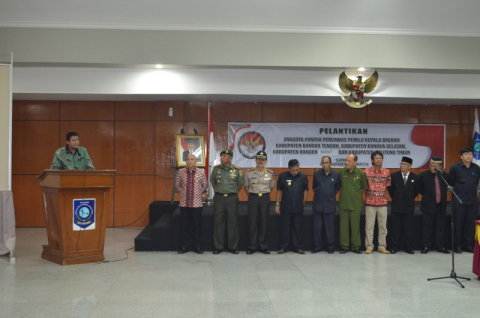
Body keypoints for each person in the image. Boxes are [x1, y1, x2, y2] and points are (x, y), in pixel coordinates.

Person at [210, 149, 244, 254]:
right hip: (219, 198)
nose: (222, 158)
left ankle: (233, 246)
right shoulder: (216, 169)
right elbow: (213, 184)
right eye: (221, 156)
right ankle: (218, 246)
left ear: (230, 158)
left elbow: (240, 185)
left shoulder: (237, 170)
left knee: (232, 222)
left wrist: (230, 192)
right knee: (218, 222)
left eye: (224, 156)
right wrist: (221, 192)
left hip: (231, 199)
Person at [449, 147, 480, 254]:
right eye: (466, 154)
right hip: (459, 200)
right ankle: (458, 245)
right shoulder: (455, 168)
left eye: (470, 154)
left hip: (472, 201)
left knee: (470, 224)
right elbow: (450, 183)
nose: (468, 156)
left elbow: (476, 183)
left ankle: (468, 245)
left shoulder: (476, 168)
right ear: (461, 156)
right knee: (458, 224)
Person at [175, 154, 208, 254]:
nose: (190, 161)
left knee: (197, 226)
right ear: (186, 161)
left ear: (196, 161)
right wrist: (184, 191)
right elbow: (177, 185)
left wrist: (197, 192)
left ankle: (197, 246)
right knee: (184, 226)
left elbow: (204, 185)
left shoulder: (200, 172)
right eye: (188, 159)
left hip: (197, 204)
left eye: (192, 159)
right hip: (184, 204)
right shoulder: (181, 172)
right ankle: (184, 246)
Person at [244, 151, 275, 254]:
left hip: (265, 198)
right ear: (256, 160)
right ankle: (252, 246)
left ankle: (263, 246)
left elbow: (271, 188)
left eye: (263, 159)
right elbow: (246, 187)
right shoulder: (249, 173)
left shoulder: (270, 173)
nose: (260, 161)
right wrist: (253, 195)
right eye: (259, 159)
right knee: (252, 222)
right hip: (253, 198)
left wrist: (264, 195)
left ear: (266, 161)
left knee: (264, 221)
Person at [275, 159, 308, 254]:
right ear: (289, 169)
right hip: (286, 206)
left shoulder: (303, 176)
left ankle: (298, 247)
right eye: (293, 170)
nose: (295, 172)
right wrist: (277, 204)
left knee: (298, 228)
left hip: (298, 206)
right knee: (285, 227)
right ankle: (283, 247)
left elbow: (305, 190)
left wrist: (303, 202)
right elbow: (278, 191)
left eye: (297, 170)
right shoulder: (282, 176)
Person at [418, 156, 450, 254]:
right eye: (431, 166)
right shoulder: (423, 175)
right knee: (427, 227)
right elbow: (420, 189)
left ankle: (440, 246)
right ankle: (426, 246)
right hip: (428, 204)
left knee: (440, 226)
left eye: (435, 166)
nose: (432, 168)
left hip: (441, 205)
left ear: (440, 167)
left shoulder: (445, 176)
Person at [388, 156, 419, 254]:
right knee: (395, 228)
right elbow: (391, 190)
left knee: (408, 228)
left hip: (409, 205)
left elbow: (416, 191)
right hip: (396, 205)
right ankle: (394, 246)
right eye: (401, 164)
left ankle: (408, 246)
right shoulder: (394, 176)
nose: (402, 165)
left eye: (405, 164)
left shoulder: (415, 177)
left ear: (410, 166)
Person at [338, 153, 368, 254]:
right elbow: (339, 186)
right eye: (346, 160)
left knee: (355, 227)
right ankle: (344, 246)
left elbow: (363, 188)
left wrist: (355, 196)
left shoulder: (361, 173)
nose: (346, 162)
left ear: (355, 163)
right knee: (344, 227)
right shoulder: (342, 172)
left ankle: (356, 247)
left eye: (349, 161)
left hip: (355, 204)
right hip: (343, 204)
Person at [364, 151, 391, 254]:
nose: (379, 160)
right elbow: (364, 187)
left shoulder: (387, 172)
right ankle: (369, 246)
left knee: (383, 227)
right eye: (376, 158)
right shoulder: (366, 172)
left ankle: (382, 246)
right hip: (370, 203)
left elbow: (388, 187)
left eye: (380, 158)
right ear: (372, 160)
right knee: (369, 227)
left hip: (382, 203)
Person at [311, 156, 340, 254]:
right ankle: (317, 247)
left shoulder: (336, 175)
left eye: (327, 163)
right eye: (323, 163)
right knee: (317, 227)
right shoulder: (316, 174)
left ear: (330, 164)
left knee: (329, 227)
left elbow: (337, 189)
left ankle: (330, 247)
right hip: (318, 204)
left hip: (330, 204)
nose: (325, 165)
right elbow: (314, 188)